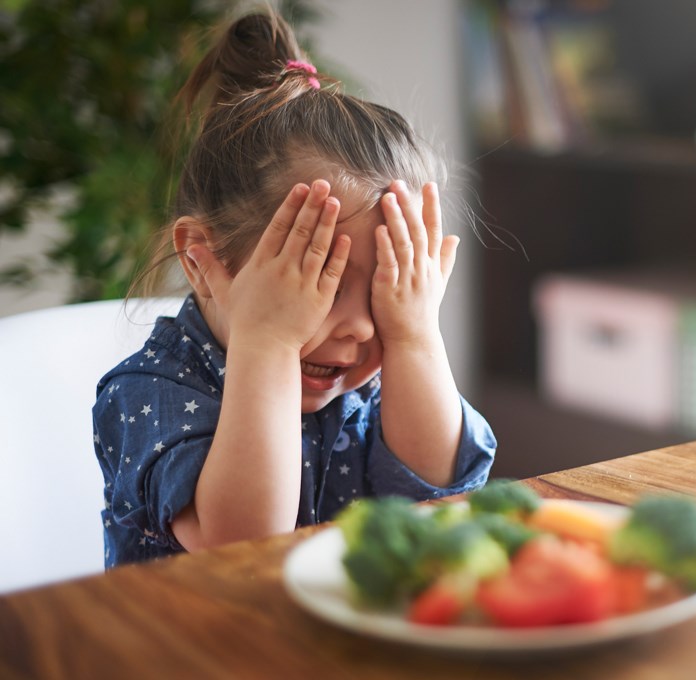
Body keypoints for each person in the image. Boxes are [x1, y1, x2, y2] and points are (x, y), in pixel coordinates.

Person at [92, 11, 496, 567]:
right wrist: (270, 344)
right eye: (321, 286)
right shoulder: (150, 391)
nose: (359, 326)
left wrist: (414, 336)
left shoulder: (376, 376)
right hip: (189, 647)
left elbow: (442, 492)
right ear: (201, 260)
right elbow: (243, 545)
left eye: (385, 291)